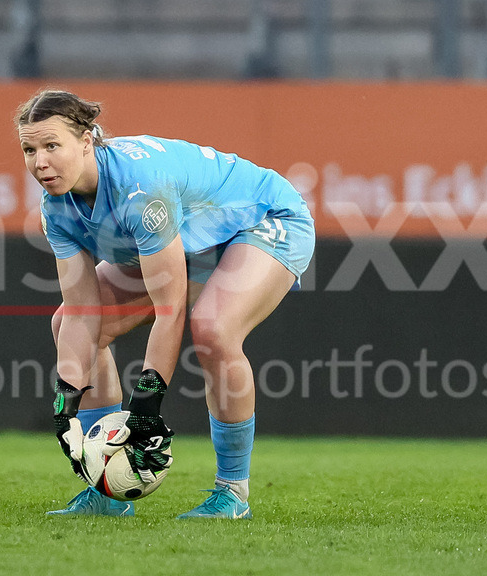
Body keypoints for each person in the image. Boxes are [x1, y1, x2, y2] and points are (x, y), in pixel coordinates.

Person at [16, 89, 315, 519]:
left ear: (86, 142)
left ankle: (233, 493)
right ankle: (104, 489)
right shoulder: (55, 209)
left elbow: (169, 308)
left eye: (51, 145)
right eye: (29, 149)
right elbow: (83, 311)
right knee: (69, 323)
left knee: (213, 329)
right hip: (190, 242)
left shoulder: (140, 189)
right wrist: (66, 406)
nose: (40, 162)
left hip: (265, 219)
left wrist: (147, 401)